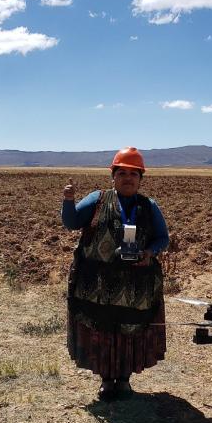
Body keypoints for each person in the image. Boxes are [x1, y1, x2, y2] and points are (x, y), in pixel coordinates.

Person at [61, 147, 170, 400]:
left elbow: (162, 238)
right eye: (122, 173)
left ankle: (123, 380)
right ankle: (106, 380)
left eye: (134, 174)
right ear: (113, 176)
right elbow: (71, 223)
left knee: (130, 330)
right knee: (101, 330)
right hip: (95, 286)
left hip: (136, 288)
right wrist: (68, 201)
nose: (128, 178)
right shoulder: (97, 200)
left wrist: (149, 253)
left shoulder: (148, 206)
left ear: (141, 179)